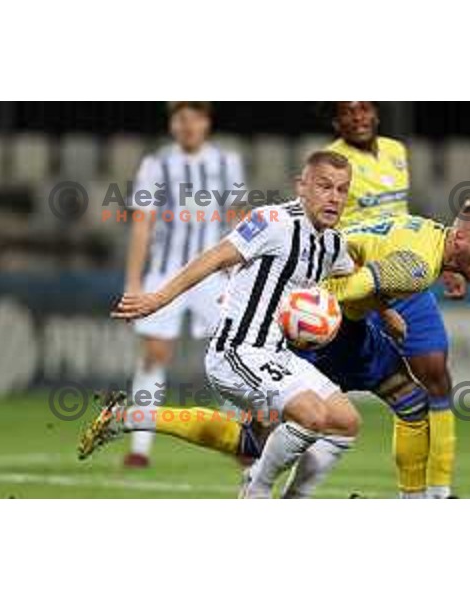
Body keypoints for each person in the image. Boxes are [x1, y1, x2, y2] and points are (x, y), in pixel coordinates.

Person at [80, 151, 363, 499]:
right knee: (310, 416)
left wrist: (391, 314)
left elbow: (357, 280)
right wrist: (160, 297)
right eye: (324, 187)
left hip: (277, 355)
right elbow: (215, 257)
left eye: (342, 189)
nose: (334, 197)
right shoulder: (273, 221)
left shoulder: (333, 244)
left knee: (344, 422)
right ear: (301, 187)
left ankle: (129, 417)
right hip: (236, 350)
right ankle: (255, 491)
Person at [323, 101, 465, 498]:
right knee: (340, 391)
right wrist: (371, 298)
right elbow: (329, 228)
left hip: (406, 277)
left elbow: (405, 220)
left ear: (375, 113)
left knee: (437, 376)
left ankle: (439, 491)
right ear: (337, 121)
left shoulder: (397, 152)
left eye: (364, 108)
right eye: (348, 112)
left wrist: (449, 264)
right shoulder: (333, 162)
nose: (358, 117)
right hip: (361, 282)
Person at [124, 101, 244, 468]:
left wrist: (238, 272)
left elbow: (237, 219)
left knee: (233, 353)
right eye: (180, 118)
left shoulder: (228, 162)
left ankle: (242, 439)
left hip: (213, 271)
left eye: (194, 117)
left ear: (206, 122)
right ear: (172, 124)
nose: (187, 125)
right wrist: (134, 280)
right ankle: (140, 448)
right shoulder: (155, 164)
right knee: (155, 354)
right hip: (164, 272)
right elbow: (142, 223)